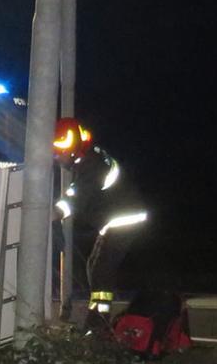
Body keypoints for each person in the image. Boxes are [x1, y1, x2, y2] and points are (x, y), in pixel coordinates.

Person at [53, 118, 148, 329]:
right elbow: (77, 191)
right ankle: (97, 319)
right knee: (94, 266)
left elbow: (77, 198)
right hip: (118, 220)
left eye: (59, 153)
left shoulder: (91, 164)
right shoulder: (90, 156)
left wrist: (52, 213)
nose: (57, 158)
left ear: (71, 148)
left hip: (124, 220)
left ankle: (99, 325)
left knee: (101, 271)